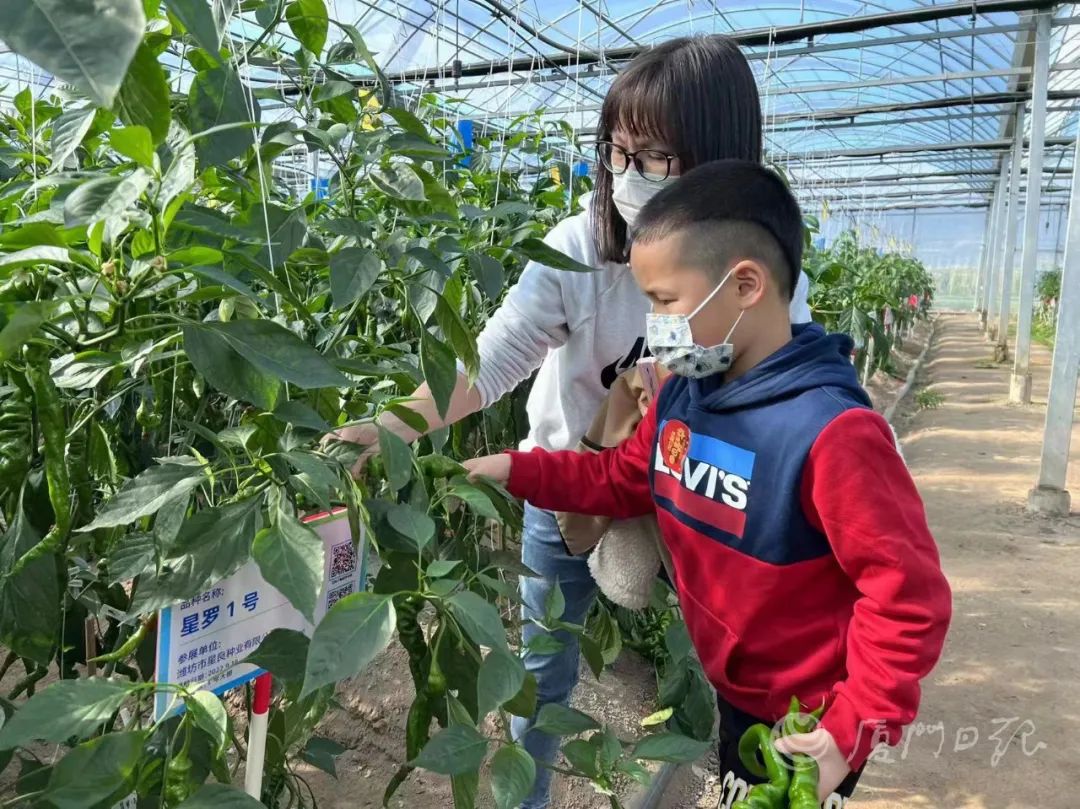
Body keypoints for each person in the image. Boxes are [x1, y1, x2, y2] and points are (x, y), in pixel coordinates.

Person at [332, 36, 813, 807]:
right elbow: (488, 363)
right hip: (568, 489)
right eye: (617, 153)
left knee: (740, 664)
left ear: (718, 162)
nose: (628, 178)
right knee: (539, 684)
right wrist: (390, 425)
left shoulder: (758, 276)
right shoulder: (579, 250)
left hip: (687, 496)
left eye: (655, 158)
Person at [464, 160, 952, 805]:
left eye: (666, 301)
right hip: (738, 686)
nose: (656, 322)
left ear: (744, 284)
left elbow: (907, 599)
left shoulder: (831, 433)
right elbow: (621, 479)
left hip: (809, 718)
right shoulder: (684, 398)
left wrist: (851, 727)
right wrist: (514, 468)